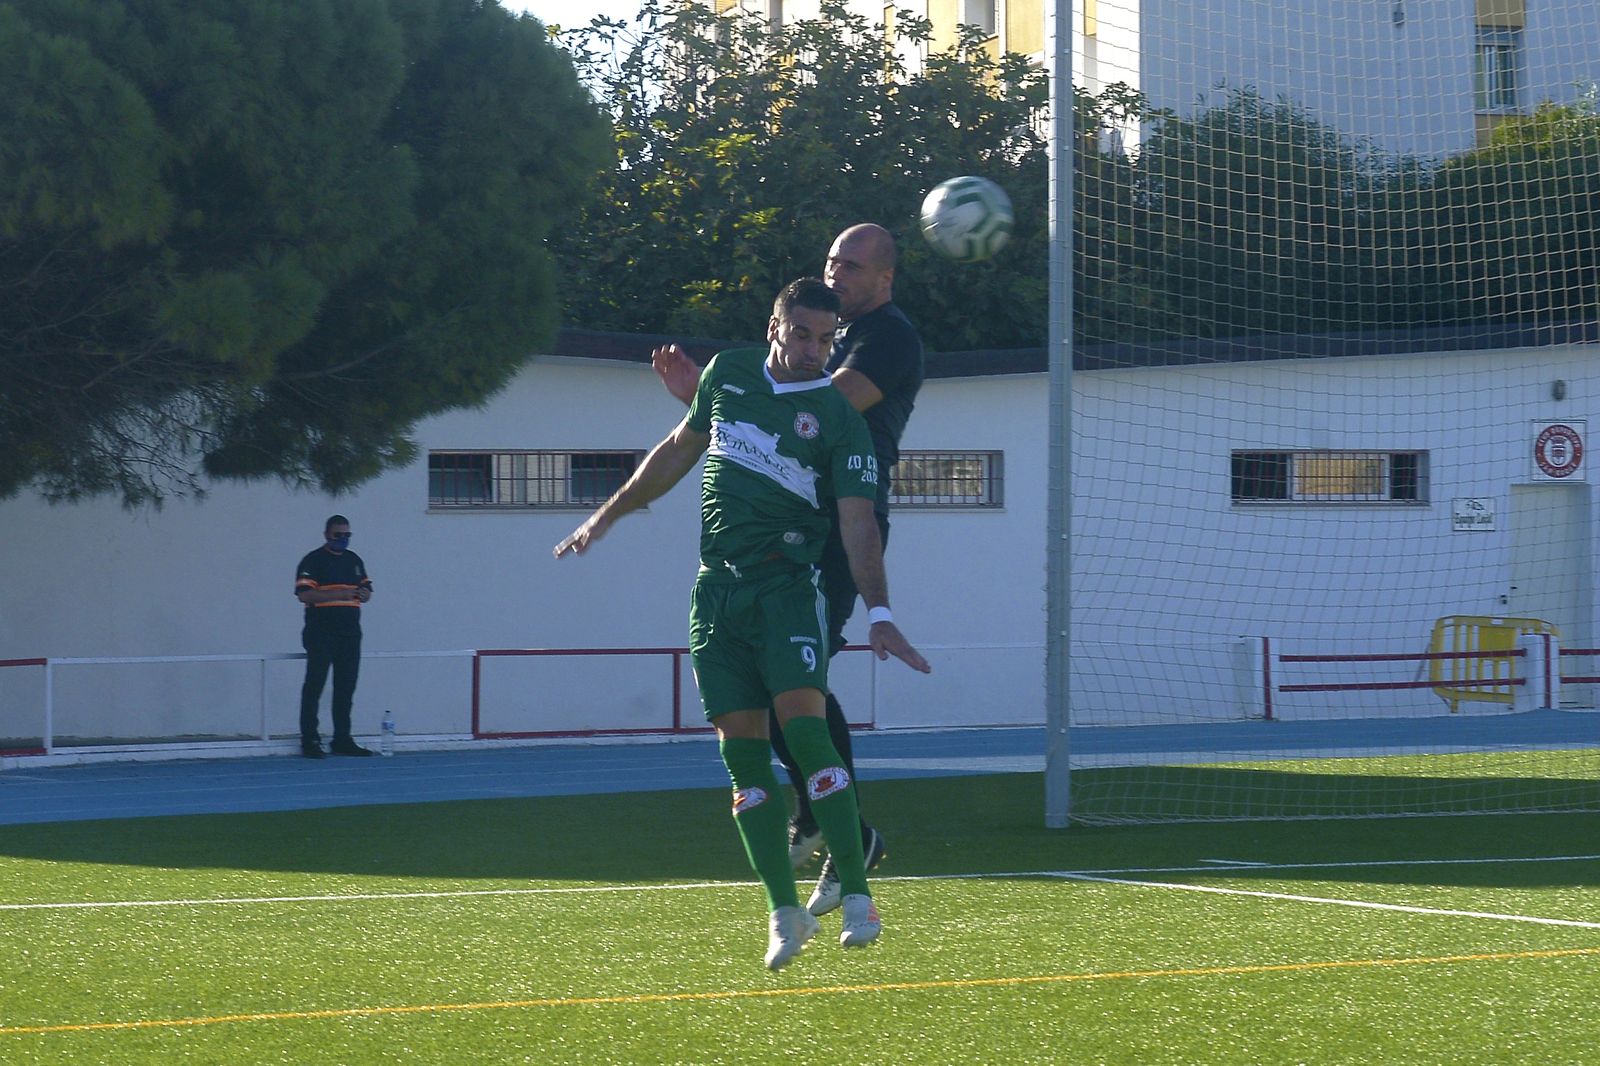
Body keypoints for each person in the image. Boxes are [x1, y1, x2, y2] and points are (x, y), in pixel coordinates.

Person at [556, 277, 931, 970]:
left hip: (789, 591)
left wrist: (881, 612)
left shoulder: (839, 419)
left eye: (827, 340)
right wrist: (602, 515)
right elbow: (677, 449)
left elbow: (857, 523)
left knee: (808, 734)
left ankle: (857, 894)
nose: (816, 350)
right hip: (716, 597)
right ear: (774, 328)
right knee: (744, 762)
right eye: (804, 336)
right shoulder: (727, 373)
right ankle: (784, 913)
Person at [652, 223, 924, 917]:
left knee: (796, 683)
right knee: (778, 683)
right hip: (791, 520)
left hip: (837, 523)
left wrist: (706, 400)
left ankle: (849, 833)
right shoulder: (819, 335)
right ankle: (820, 814)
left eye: (854, 265)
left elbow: (811, 416)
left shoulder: (888, 337)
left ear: (885, 280)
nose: (837, 272)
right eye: (832, 258)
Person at [294, 515, 375, 758]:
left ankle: (342, 739)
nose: (343, 540)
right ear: (327, 534)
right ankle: (310, 740)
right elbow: (304, 595)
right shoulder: (313, 560)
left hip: (350, 634)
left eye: (347, 535)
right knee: (314, 686)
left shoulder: (354, 560)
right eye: (338, 535)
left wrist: (362, 593)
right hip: (321, 633)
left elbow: (368, 593)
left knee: (346, 687)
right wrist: (338, 593)